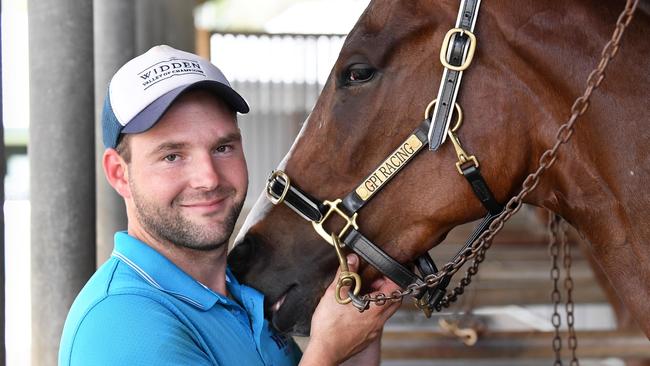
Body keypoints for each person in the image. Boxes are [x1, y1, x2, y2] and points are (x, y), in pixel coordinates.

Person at [58, 45, 401, 366]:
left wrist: (358, 332)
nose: (208, 178)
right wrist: (325, 351)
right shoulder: (121, 324)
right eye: (172, 155)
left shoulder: (240, 291)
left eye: (222, 148)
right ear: (119, 174)